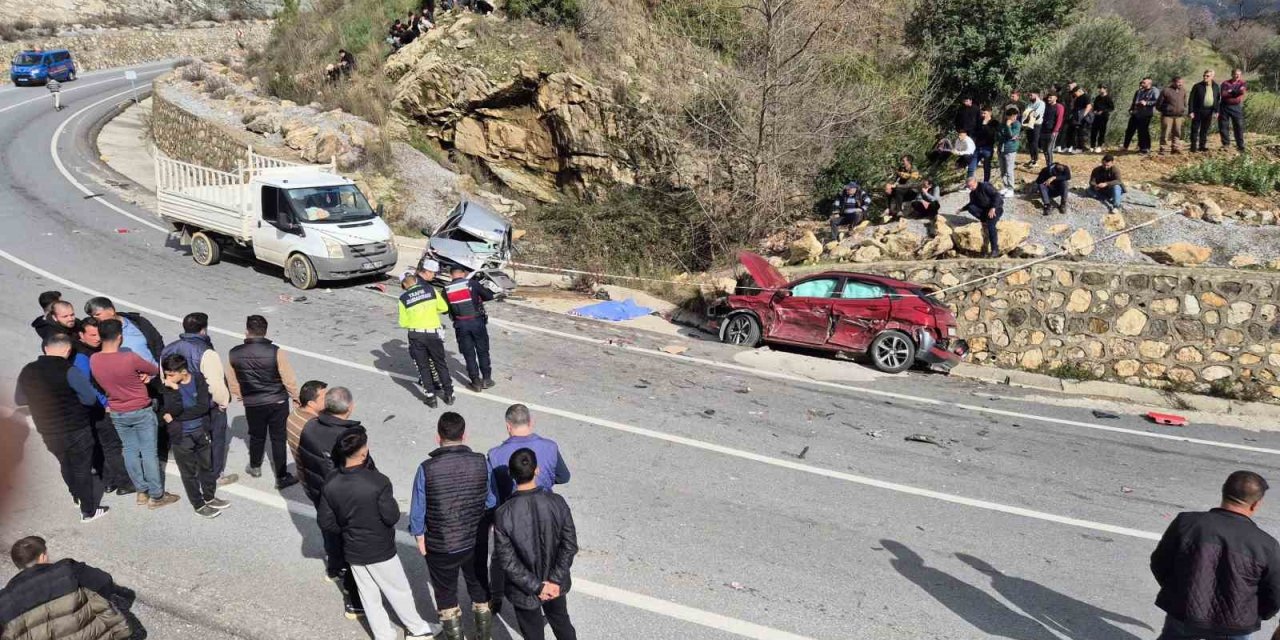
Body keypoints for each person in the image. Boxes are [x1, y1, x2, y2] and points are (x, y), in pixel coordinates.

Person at [317, 431, 440, 640]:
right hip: (380, 548)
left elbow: (326, 521)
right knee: (399, 590)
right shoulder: (378, 481)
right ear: (363, 453)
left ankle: (384, 635)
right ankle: (418, 630)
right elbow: (391, 516)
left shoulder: (331, 482)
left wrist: (348, 527)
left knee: (369, 596)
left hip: (353, 548)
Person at [1151, 471, 1280, 639]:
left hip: (1184, 612)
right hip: (1235, 624)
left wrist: (1179, 592)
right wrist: (1252, 614)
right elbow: (1274, 594)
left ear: (1223, 491)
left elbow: (1160, 563)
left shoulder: (1187, 523)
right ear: (1255, 504)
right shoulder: (1266, 545)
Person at [410, 412, 497, 640]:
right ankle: (484, 636)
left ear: (438, 437)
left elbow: (418, 510)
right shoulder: (481, 462)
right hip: (474, 539)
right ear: (464, 435)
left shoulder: (426, 468)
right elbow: (491, 501)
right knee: (478, 584)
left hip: (440, 544)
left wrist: (419, 536)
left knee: (446, 593)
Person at [16, 333, 107, 522]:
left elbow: (20, 399)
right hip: (76, 428)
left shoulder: (28, 370)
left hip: (48, 430)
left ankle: (76, 496)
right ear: (67, 350)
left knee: (65, 464)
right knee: (82, 468)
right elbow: (89, 399)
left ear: (45, 348)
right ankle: (88, 511)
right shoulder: (69, 370)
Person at [90, 319, 178, 509]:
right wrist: (144, 377)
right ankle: (156, 495)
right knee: (148, 453)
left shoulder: (94, 359)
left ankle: (141, 491)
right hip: (140, 410)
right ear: (120, 337)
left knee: (130, 451)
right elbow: (155, 369)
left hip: (117, 411)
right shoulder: (129, 358)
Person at [493, 448, 579, 640]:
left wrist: (538, 587)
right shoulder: (557, 502)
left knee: (533, 634)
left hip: (525, 590)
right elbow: (569, 545)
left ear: (511, 475)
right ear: (537, 470)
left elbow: (508, 562)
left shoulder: (504, 513)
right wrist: (554, 581)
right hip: (555, 585)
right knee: (562, 625)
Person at [297, 386, 366, 619]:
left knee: (330, 532)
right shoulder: (352, 434)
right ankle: (353, 599)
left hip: (319, 492)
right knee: (351, 546)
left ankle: (333, 568)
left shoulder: (310, 427)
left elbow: (303, 462)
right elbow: (363, 468)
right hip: (345, 499)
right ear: (350, 407)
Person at [0, 536, 131, 640]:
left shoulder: (4, 600)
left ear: (18, 565)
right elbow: (104, 580)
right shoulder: (69, 570)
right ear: (42, 556)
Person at [162, 312, 236, 487]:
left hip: (180, 402)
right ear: (204, 330)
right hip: (206, 405)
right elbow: (215, 384)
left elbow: (164, 377)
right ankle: (214, 475)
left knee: (189, 438)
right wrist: (223, 403)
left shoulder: (169, 349)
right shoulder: (206, 352)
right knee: (215, 439)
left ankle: (194, 470)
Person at [227, 314, 300, 490]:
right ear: (265, 332)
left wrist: (239, 394)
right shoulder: (276, 351)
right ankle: (281, 476)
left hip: (253, 402)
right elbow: (288, 378)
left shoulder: (234, 353)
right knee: (278, 438)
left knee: (256, 435)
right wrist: (296, 396)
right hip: (277, 401)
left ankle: (255, 467)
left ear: (246, 332)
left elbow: (232, 379)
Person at [159, 354, 229, 518]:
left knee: (206, 466)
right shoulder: (168, 387)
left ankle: (209, 497)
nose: (167, 378)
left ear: (183, 372)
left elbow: (203, 407)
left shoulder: (198, 379)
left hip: (201, 431)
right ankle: (198, 504)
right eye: (166, 374)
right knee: (188, 472)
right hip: (181, 436)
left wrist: (175, 416)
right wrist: (175, 392)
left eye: (171, 374)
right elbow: (169, 410)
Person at [74, 318, 132, 496]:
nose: (97, 339)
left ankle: (108, 481)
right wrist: (105, 404)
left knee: (105, 445)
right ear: (81, 335)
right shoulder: (82, 356)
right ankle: (123, 482)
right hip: (99, 408)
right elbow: (87, 385)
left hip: (96, 407)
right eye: (92, 335)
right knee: (112, 445)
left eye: (98, 334)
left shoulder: (92, 352)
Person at [400, 265, 455, 408]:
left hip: (416, 335)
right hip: (433, 333)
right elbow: (443, 308)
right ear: (415, 280)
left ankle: (430, 397)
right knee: (440, 364)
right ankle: (449, 394)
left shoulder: (403, 299)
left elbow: (403, 323)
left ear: (404, 284)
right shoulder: (430, 290)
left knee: (423, 366)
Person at [445, 265, 496, 393]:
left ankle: (475, 381)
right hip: (477, 321)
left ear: (451, 275)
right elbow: (489, 296)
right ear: (463, 273)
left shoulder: (446, 290)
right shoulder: (473, 284)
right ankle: (487, 379)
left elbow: (445, 309)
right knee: (483, 350)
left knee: (468, 353)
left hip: (461, 324)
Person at [83, 297, 163, 366]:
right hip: (131, 380)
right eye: (92, 316)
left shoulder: (138, 322)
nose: (95, 319)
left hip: (155, 375)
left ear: (111, 311)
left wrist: (162, 367)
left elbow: (157, 342)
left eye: (97, 314)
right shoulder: (99, 333)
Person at [287, 380, 328, 483]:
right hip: (316, 479)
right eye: (324, 398)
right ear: (311, 403)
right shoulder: (315, 427)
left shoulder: (294, 415)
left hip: (302, 469)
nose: (328, 400)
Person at [958, 177, 1003, 258]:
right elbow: (971, 203)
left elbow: (996, 195)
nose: (970, 188)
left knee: (991, 226)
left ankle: (995, 249)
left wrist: (993, 208)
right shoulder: (972, 193)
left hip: (995, 208)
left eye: (971, 186)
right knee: (971, 207)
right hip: (984, 211)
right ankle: (984, 220)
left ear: (976, 182)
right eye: (968, 187)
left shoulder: (985, 186)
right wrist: (961, 209)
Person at [1124, 77, 1159, 155]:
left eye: (1144, 83)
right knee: (1138, 131)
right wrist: (1132, 108)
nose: (1142, 84)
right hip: (1137, 113)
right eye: (1142, 82)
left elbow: (1157, 101)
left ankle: (1146, 148)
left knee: (1144, 131)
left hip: (1146, 114)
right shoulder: (1140, 91)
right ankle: (1141, 147)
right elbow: (1135, 101)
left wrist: (1146, 103)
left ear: (1149, 83)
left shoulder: (1154, 91)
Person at [1188, 70, 1220, 153]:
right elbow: (1191, 99)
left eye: (1207, 76)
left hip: (1209, 111)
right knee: (1195, 129)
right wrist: (1191, 111)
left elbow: (1217, 99)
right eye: (1204, 75)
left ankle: (1202, 146)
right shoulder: (1197, 86)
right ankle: (1193, 147)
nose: (1205, 77)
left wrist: (1216, 111)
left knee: (1204, 129)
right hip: (1198, 111)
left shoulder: (1216, 86)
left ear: (1212, 77)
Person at [882, 154, 921, 219]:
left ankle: (899, 211)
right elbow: (895, 178)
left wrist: (896, 186)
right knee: (888, 189)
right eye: (901, 161)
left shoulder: (914, 170)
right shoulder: (901, 169)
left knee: (897, 189)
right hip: (902, 190)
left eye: (903, 161)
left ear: (909, 162)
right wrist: (889, 185)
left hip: (912, 191)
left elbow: (909, 185)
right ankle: (888, 209)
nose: (902, 162)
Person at [1156, 76, 1188, 155]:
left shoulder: (1183, 91)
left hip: (1179, 116)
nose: (1180, 84)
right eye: (1178, 82)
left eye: (1181, 82)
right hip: (1167, 116)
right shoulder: (1166, 91)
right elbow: (1158, 105)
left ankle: (1175, 148)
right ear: (1173, 82)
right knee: (1165, 133)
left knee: (1177, 133)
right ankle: (1163, 150)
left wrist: (1182, 110)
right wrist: (1166, 110)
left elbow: (1185, 102)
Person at [1219, 68, 1247, 152]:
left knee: (1238, 126)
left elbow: (1241, 92)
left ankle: (1240, 145)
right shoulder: (1225, 83)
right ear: (1232, 74)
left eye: (1239, 74)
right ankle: (1226, 144)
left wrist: (1231, 91)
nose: (1237, 76)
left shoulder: (1243, 83)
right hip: (1224, 106)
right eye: (1235, 74)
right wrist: (1235, 92)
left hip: (1236, 107)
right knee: (1223, 126)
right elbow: (1223, 94)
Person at [996, 107, 1021, 197]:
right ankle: (1006, 186)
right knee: (1003, 170)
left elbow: (1011, 135)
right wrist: (1009, 137)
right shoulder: (1001, 124)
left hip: (1010, 150)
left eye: (1015, 116)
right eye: (1012, 116)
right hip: (1001, 149)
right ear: (1007, 116)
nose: (1014, 118)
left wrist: (1008, 126)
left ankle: (1011, 188)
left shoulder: (1017, 124)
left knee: (1009, 170)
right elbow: (998, 136)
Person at [968, 107, 996, 183]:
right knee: (971, 166)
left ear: (990, 113)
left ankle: (986, 183)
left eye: (985, 113)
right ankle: (970, 183)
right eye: (982, 113)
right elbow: (974, 133)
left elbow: (991, 134)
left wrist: (985, 125)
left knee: (986, 167)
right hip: (977, 147)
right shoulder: (979, 121)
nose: (983, 115)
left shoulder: (994, 122)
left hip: (988, 148)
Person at [1021, 91, 1044, 168]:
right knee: (1030, 142)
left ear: (1036, 95)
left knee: (1034, 142)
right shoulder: (1029, 104)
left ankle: (1036, 160)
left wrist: (1029, 113)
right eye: (1029, 95)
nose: (1029, 96)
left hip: (1036, 125)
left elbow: (1036, 113)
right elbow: (1025, 113)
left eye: (1031, 95)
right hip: (1029, 125)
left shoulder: (1041, 103)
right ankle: (1032, 159)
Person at [1040, 93, 1065, 167]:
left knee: (1049, 149)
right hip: (1044, 130)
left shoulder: (1059, 107)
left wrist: (1055, 130)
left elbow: (1059, 120)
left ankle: (1050, 166)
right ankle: (1048, 165)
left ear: (1056, 98)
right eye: (1048, 97)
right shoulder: (1046, 106)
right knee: (1044, 150)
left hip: (1052, 131)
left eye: (1050, 97)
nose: (1049, 99)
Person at [1067, 85, 1093, 154]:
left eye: (1075, 92)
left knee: (1082, 133)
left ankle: (1080, 148)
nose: (1074, 94)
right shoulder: (1078, 98)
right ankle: (1077, 147)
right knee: (1077, 133)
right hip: (1077, 118)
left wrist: (1083, 115)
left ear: (1079, 91)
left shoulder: (1086, 96)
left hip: (1083, 118)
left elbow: (1089, 106)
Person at [1088, 85, 1114, 153]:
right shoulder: (1097, 98)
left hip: (1104, 117)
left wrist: (1103, 111)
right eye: (1098, 89)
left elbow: (1111, 108)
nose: (1099, 90)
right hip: (1096, 117)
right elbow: (1095, 106)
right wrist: (1094, 111)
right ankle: (1092, 146)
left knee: (1101, 131)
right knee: (1094, 131)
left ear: (1105, 89)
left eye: (1101, 89)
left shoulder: (1108, 98)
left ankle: (1099, 146)